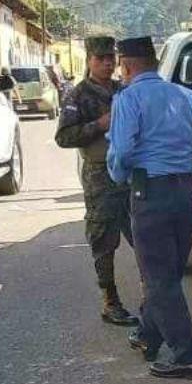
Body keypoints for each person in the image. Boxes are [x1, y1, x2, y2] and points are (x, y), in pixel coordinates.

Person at [107, 36, 192, 381]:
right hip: (187, 191)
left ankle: (187, 355)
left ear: (127, 66)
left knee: (159, 279)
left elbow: (123, 151)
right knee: (169, 273)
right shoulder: (186, 97)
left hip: (150, 192)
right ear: (154, 63)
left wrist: (118, 176)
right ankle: (148, 335)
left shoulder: (127, 98)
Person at [54, 36, 139, 327]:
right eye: (100, 57)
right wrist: (98, 125)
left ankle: (152, 297)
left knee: (142, 234)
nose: (106, 62)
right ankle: (110, 301)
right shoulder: (78, 96)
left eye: (110, 58)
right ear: (89, 60)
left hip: (129, 173)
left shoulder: (124, 90)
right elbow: (64, 137)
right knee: (104, 240)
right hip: (99, 174)